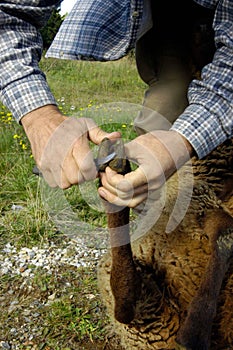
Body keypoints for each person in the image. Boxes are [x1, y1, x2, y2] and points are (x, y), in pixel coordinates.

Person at [0, 0, 232, 209]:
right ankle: (162, 217)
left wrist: (187, 138)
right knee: (163, 113)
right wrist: (40, 117)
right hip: (167, 23)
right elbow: (7, 15)